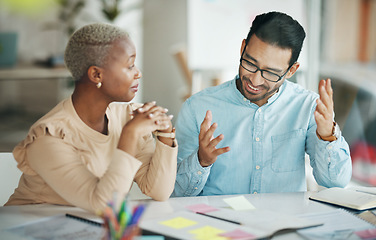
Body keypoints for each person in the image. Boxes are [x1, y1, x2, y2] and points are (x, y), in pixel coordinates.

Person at [172, 11, 352, 197]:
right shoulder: (197, 108)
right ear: (243, 48)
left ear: (291, 70)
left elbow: (335, 182)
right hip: (219, 223)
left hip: (284, 222)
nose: (255, 80)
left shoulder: (307, 107)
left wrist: (327, 136)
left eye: (271, 73)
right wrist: (201, 161)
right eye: (250, 63)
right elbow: (177, 195)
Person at [5, 23, 177, 212]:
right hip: (28, 229)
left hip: (85, 228)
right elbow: (103, 205)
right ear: (96, 74)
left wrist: (165, 135)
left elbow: (159, 191)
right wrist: (130, 134)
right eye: (130, 65)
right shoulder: (49, 136)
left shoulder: (128, 118)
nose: (138, 73)